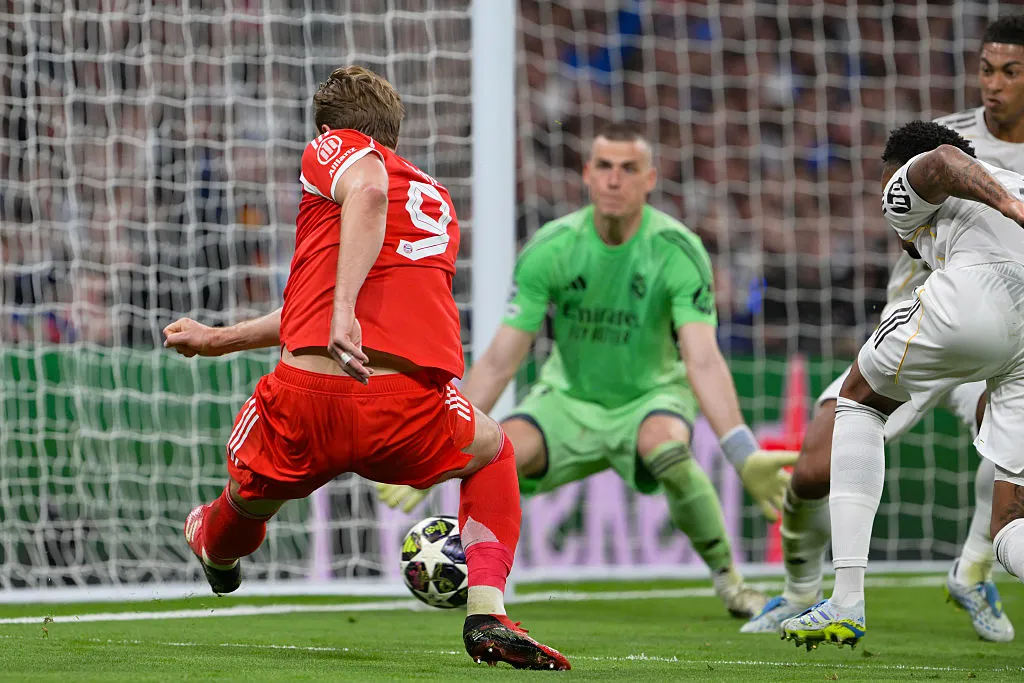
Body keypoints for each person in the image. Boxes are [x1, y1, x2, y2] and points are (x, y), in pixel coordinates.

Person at [165, 65, 570, 671]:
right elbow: (320, 299)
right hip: (404, 407)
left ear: (330, 129)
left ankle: (214, 547)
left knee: (238, 510)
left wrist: (344, 310)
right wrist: (218, 339)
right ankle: (486, 611)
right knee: (493, 449)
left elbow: (369, 193)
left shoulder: (341, 153)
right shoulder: (433, 198)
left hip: (309, 398)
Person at [377, 121, 797, 618]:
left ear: (650, 179)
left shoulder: (679, 250)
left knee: (666, 446)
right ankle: (485, 590)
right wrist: (438, 443)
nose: (614, 179)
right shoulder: (552, 248)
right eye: (604, 167)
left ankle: (731, 583)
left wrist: (743, 452)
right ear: (586, 175)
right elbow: (500, 359)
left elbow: (702, 358)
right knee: (493, 451)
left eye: (628, 169)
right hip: (567, 401)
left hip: (651, 396)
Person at [743, 16, 1024, 642]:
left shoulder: (917, 174)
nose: (994, 84)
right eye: (987, 69)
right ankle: (804, 591)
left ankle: (852, 596)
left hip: (954, 313)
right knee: (1012, 512)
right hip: (1010, 328)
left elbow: (942, 162)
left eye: (1010, 71)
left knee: (857, 402)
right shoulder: (975, 145)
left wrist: (1009, 207)